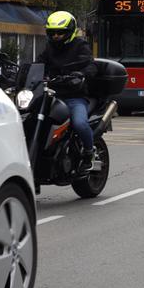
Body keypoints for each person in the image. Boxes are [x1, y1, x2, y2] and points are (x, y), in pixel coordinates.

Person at [37, 11, 99, 171]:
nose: (56, 36)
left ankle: (89, 152)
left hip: (74, 96)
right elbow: (39, 64)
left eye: (60, 32)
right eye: (52, 33)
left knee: (79, 123)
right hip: (52, 95)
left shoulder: (80, 45)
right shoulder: (49, 48)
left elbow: (91, 65)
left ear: (70, 32)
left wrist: (81, 74)